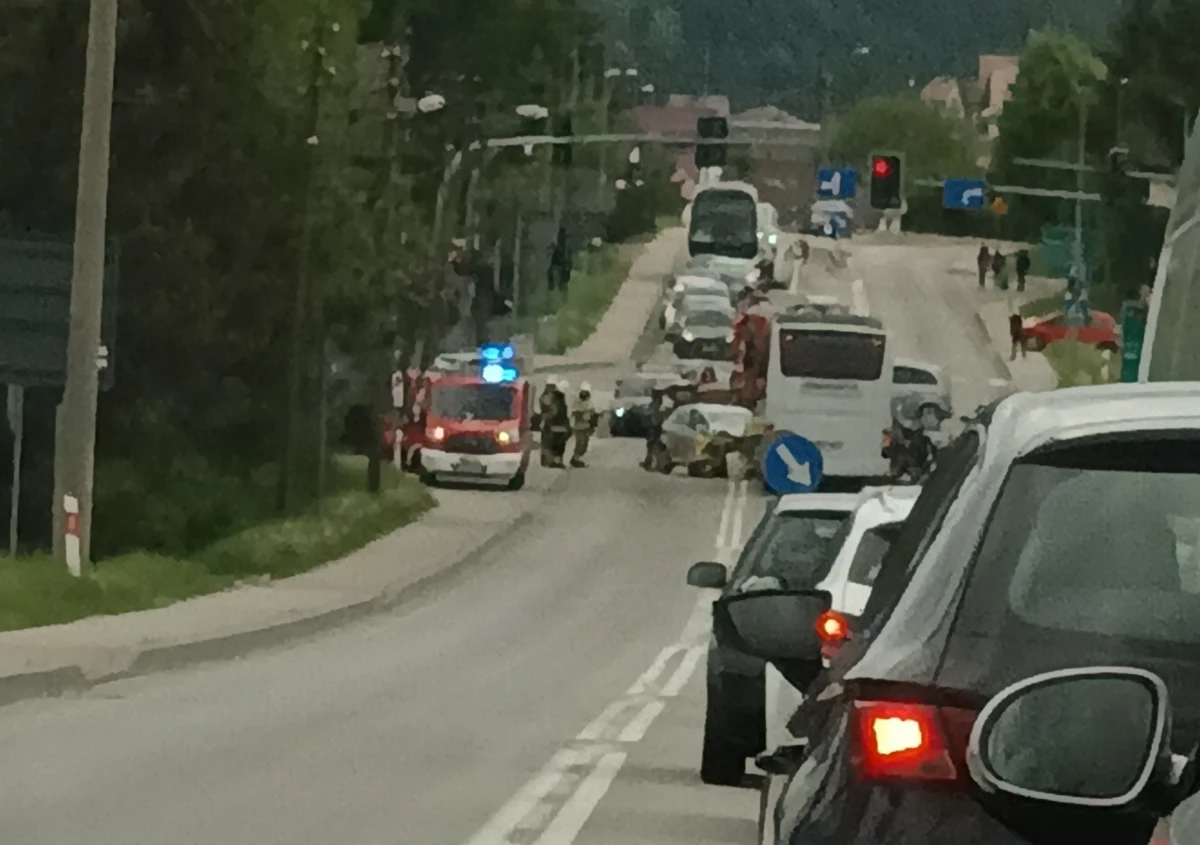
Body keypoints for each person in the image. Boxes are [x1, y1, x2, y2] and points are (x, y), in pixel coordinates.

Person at [570, 383, 598, 468]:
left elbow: (591, 416)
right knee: (580, 444)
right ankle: (575, 459)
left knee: (584, 445)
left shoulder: (589, 404)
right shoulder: (577, 405)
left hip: (586, 427)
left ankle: (576, 459)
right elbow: (576, 415)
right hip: (579, 428)